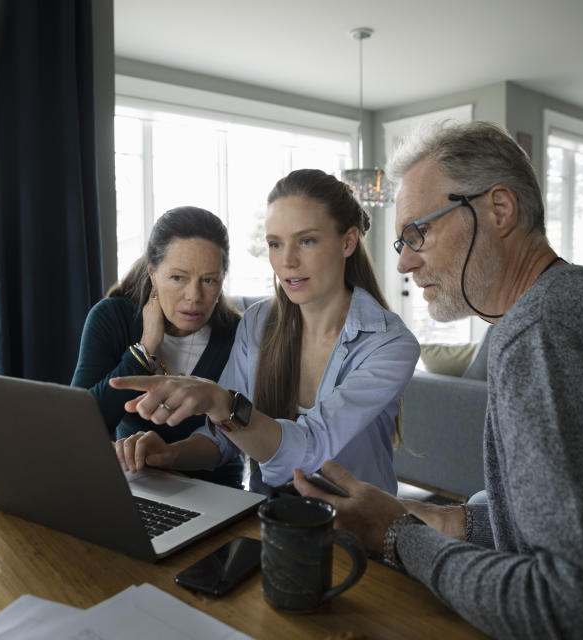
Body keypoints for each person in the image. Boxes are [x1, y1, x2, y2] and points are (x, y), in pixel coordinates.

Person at [294, 122, 583, 638]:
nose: (403, 261)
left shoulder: (544, 335)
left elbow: (582, 609)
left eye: (418, 232)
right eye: (402, 241)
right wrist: (443, 519)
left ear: (499, 209)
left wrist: (399, 536)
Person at [109, 169, 420, 495]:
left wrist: (221, 401)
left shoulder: (389, 344)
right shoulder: (258, 322)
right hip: (266, 520)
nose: (287, 261)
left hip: (359, 531)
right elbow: (223, 438)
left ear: (348, 241)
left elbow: (311, 448)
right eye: (275, 244)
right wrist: (172, 454)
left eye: (306, 241)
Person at [71, 206, 243, 487]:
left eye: (209, 280)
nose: (194, 296)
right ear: (153, 273)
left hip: (217, 489)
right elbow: (80, 427)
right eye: (178, 278)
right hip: (138, 483)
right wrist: (144, 348)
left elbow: (231, 437)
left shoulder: (237, 334)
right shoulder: (113, 318)